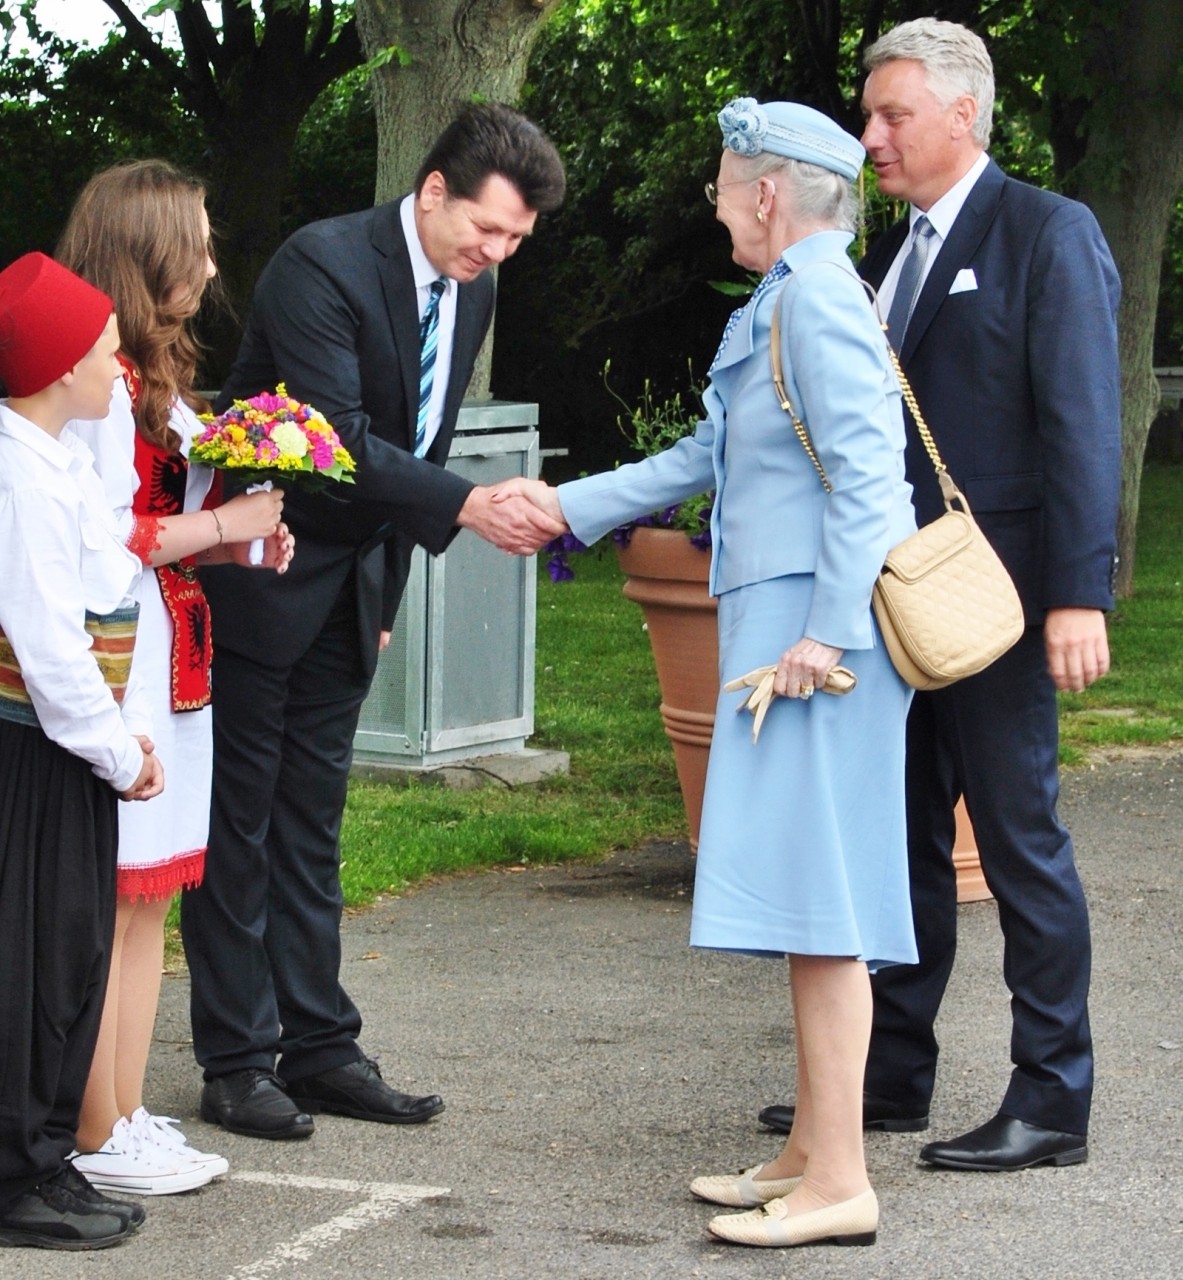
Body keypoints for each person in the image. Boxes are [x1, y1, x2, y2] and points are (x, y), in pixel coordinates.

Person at [500, 100, 917, 1249]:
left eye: (722, 182)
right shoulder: (799, 295)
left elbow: (872, 486)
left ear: (767, 192)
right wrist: (564, 507)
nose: (714, 200)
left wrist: (824, 639)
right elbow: (707, 455)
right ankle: (810, 1150)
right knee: (804, 897)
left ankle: (839, 1178)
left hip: (809, 650)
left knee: (824, 904)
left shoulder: (819, 296)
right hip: (788, 639)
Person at [757, 18, 1120, 1172]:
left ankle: (1052, 1097)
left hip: (996, 607)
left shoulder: (1045, 232)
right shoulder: (895, 254)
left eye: (892, 114)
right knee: (901, 843)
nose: (872, 137)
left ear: (964, 112)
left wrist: (1078, 594)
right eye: (869, 116)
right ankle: (891, 1077)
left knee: (1019, 844)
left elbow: (1081, 424)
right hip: (896, 607)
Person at [181, 102, 567, 1140]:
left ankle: (320, 1047)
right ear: (433, 189)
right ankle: (235, 1060)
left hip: (355, 589)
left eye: (514, 242)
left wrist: (385, 599)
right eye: (485, 230)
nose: (494, 254)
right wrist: (468, 502)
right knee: (240, 822)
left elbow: (412, 440)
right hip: (261, 574)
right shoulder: (323, 265)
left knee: (313, 823)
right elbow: (340, 440)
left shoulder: (471, 292)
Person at [56, 160, 294, 1196]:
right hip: (119, 657)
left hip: (169, 649)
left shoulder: (153, 376)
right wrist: (224, 524)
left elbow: (159, 533)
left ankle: (120, 1111)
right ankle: (93, 1125)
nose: (208, 258)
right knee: (115, 900)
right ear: (144, 250)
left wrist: (231, 547)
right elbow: (101, 537)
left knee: (148, 902)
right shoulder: (93, 382)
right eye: (193, 238)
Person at [0, 253, 164, 1251]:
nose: (121, 368)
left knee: (69, 950)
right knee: (31, 953)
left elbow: (106, 570)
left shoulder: (53, 455)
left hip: (71, 742)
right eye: (106, 348)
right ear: (61, 364)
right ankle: (14, 1162)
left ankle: (45, 1147)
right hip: (36, 748)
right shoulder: (16, 471)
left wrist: (114, 737)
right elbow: (52, 641)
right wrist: (113, 746)